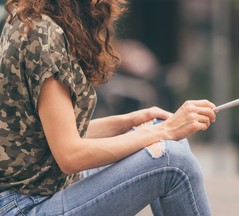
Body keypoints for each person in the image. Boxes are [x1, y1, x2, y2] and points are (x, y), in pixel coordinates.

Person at [0, 0, 216, 215]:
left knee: (159, 128)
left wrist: (131, 122)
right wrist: (163, 131)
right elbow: (70, 155)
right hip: (26, 207)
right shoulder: (42, 33)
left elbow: (53, 135)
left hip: (35, 193)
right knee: (175, 163)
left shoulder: (29, 18)